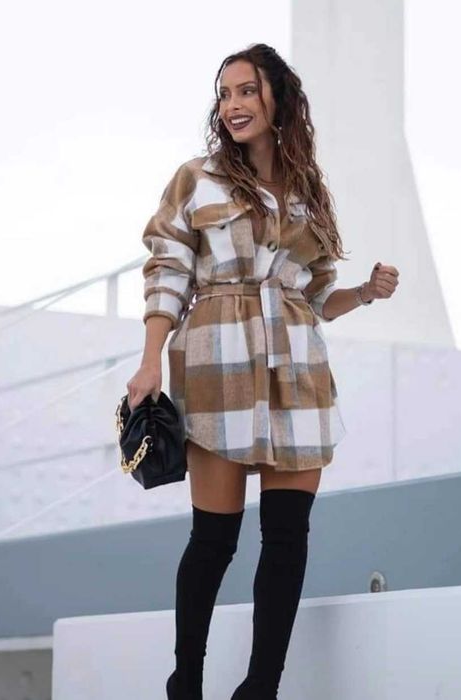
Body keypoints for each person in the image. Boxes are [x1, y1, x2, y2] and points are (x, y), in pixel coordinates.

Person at [126, 43, 399, 700]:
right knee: (214, 539)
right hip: (216, 362)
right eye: (224, 94)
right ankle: (186, 680)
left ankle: (260, 687)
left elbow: (315, 297)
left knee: (286, 536)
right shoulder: (197, 179)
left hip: (298, 368)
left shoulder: (308, 192)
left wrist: (364, 293)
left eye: (246, 90)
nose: (233, 105)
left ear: (278, 97)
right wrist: (150, 359)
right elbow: (167, 270)